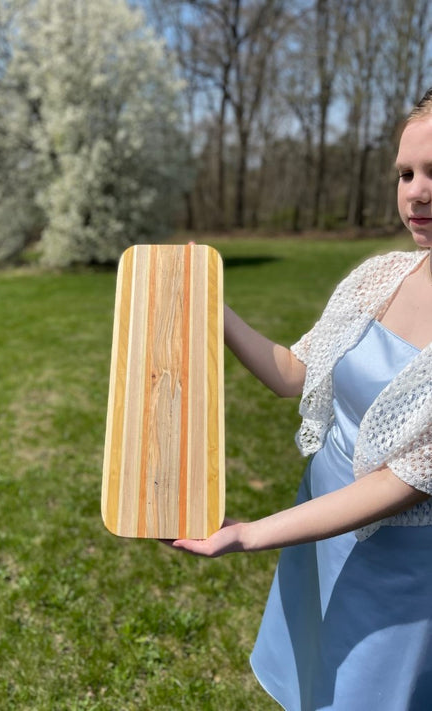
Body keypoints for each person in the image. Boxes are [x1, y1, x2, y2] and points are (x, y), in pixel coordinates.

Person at [172, 89, 432, 710]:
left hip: (402, 570)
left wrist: (252, 535)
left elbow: (404, 482)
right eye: (406, 173)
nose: (417, 192)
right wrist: (211, 304)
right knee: (315, 683)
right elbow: (293, 370)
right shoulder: (380, 275)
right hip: (318, 529)